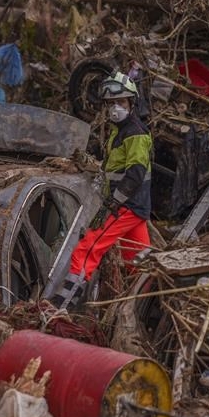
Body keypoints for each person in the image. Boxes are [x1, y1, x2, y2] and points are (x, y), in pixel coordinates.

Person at [54, 72, 152, 309]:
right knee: (139, 262)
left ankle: (60, 309)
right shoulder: (120, 131)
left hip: (126, 205)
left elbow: (135, 174)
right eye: (111, 104)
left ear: (132, 104)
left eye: (121, 103)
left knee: (87, 250)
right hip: (134, 207)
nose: (115, 108)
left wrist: (112, 204)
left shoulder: (135, 133)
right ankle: (147, 306)